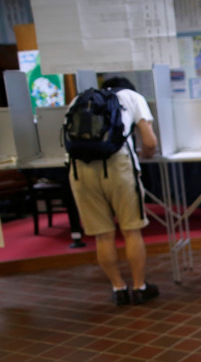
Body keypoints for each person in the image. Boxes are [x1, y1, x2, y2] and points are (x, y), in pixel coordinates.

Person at [68, 76, 159, 306]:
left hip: (80, 170)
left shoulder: (78, 100)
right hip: (118, 168)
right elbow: (149, 142)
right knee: (131, 231)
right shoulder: (133, 97)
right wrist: (144, 155)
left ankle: (118, 288)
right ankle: (140, 286)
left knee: (103, 235)